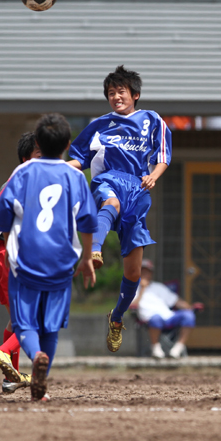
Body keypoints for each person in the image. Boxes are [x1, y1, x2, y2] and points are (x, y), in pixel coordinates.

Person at [0, 113, 98, 401]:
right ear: (67, 143)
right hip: (61, 264)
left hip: (24, 262)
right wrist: (87, 259)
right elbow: (89, 221)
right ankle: (42, 380)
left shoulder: (21, 173)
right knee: (50, 327)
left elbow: (0, 219)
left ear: (37, 142)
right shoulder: (75, 176)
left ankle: (35, 355)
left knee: (25, 324)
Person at [68, 66, 172, 353]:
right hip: (110, 179)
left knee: (133, 272)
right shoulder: (100, 124)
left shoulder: (152, 120)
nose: (116, 97)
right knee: (109, 203)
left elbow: (163, 156)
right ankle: (94, 250)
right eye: (111, 93)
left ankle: (116, 317)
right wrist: (56, 169)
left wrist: (154, 175)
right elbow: (80, 158)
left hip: (139, 191)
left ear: (135, 95)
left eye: (121, 92)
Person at [0, 131, 40, 393]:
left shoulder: (12, 178)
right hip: (10, 254)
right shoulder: (28, 179)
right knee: (33, 318)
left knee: (17, 320)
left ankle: (11, 377)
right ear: (25, 158)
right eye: (41, 154)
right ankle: (4, 352)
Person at [132, 259, 199, 359]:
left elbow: (176, 301)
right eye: (142, 271)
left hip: (168, 317)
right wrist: (142, 289)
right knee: (156, 318)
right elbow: (131, 306)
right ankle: (156, 349)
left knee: (188, 315)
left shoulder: (159, 287)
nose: (145, 274)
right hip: (150, 319)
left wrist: (190, 307)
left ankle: (177, 349)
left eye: (147, 272)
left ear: (151, 273)